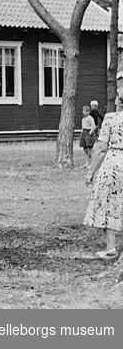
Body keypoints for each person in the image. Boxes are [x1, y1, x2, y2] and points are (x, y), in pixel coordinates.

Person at [83, 72, 123, 260]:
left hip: (114, 162)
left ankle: (111, 247)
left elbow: (100, 147)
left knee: (108, 203)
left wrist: (91, 171)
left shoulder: (111, 118)